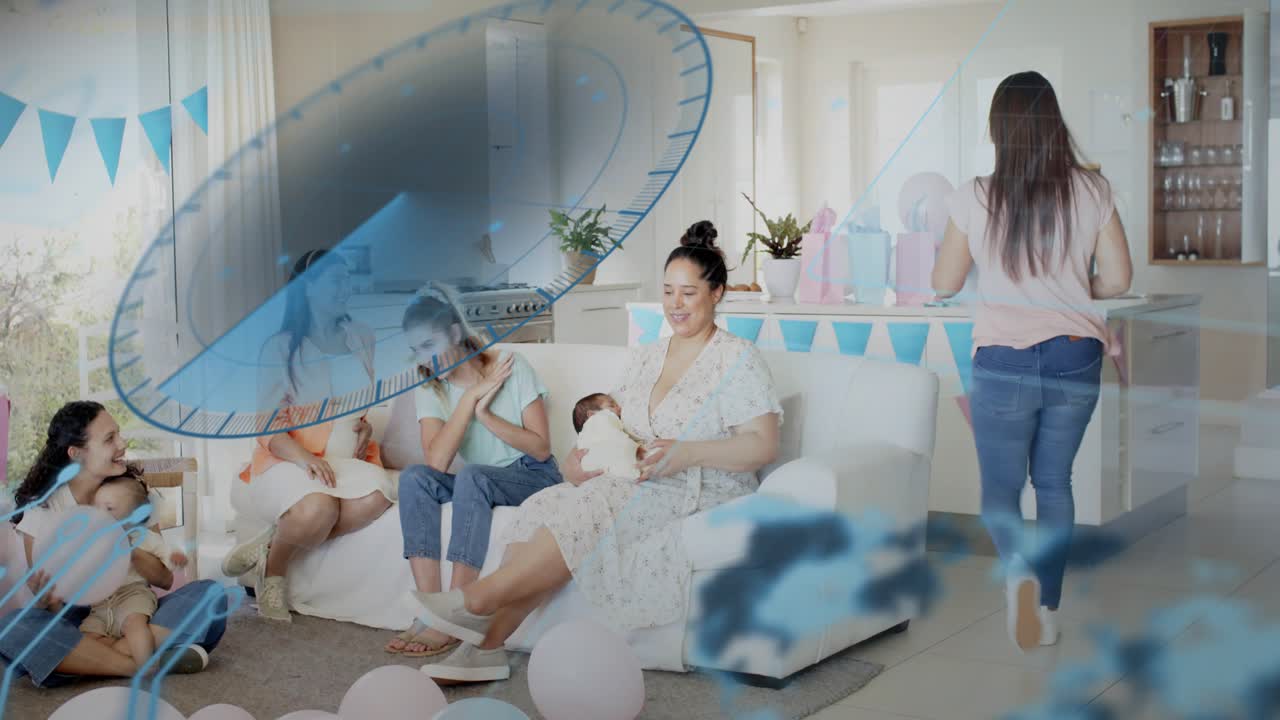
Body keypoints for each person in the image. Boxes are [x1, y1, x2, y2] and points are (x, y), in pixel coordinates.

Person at [410, 220, 783, 682]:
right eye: (668, 292)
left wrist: (687, 453)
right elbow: (614, 424)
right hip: (640, 475)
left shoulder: (738, 358)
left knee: (594, 505)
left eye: (688, 293)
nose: (675, 305)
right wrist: (580, 460)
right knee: (553, 501)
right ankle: (488, 648)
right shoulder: (648, 355)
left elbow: (762, 445)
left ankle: (478, 602)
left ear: (717, 293)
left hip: (700, 484)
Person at [931, 71, 1132, 652]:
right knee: (1053, 482)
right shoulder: (1092, 191)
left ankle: (1017, 571)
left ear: (998, 130)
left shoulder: (974, 194)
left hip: (1003, 359)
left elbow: (944, 282)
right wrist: (1068, 286)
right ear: (1054, 124)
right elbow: (1118, 277)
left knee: (1000, 489)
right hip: (1076, 355)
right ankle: (1045, 607)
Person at [386, 283, 561, 658]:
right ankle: (431, 609)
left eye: (430, 345)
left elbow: (541, 447)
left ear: (453, 333)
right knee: (416, 477)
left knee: (473, 475)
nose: (426, 359)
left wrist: (486, 413)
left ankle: (459, 611)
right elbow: (436, 463)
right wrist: (469, 399)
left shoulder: (511, 366)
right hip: (482, 481)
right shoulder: (431, 388)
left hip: (533, 474)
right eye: (417, 350)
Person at [0, 401, 226, 686]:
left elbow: (165, 580)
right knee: (12, 629)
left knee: (210, 596)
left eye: (119, 434)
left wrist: (126, 550)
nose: (122, 443)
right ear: (77, 453)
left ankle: (82, 663)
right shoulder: (43, 512)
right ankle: (137, 663)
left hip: (138, 609)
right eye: (109, 439)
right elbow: (53, 604)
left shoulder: (132, 494)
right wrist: (47, 598)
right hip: (83, 619)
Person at [221, 249, 393, 621]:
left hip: (346, 460)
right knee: (319, 509)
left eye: (346, 278)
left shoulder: (362, 336)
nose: (344, 287)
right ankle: (274, 575)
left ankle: (271, 540)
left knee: (379, 497)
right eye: (334, 279)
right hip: (290, 459)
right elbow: (267, 424)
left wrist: (365, 425)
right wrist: (307, 459)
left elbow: (361, 400)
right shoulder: (280, 347)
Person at [85, 471, 186, 666]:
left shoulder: (140, 536)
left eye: (109, 508)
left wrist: (175, 557)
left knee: (135, 625)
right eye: (96, 507)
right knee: (87, 637)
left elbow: (163, 551)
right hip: (100, 604)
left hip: (133, 594)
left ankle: (145, 665)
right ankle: (124, 654)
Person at [572, 393, 644, 481]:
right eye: (612, 405)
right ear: (591, 414)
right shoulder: (599, 420)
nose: (619, 408)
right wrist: (636, 447)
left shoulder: (585, 437)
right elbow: (615, 437)